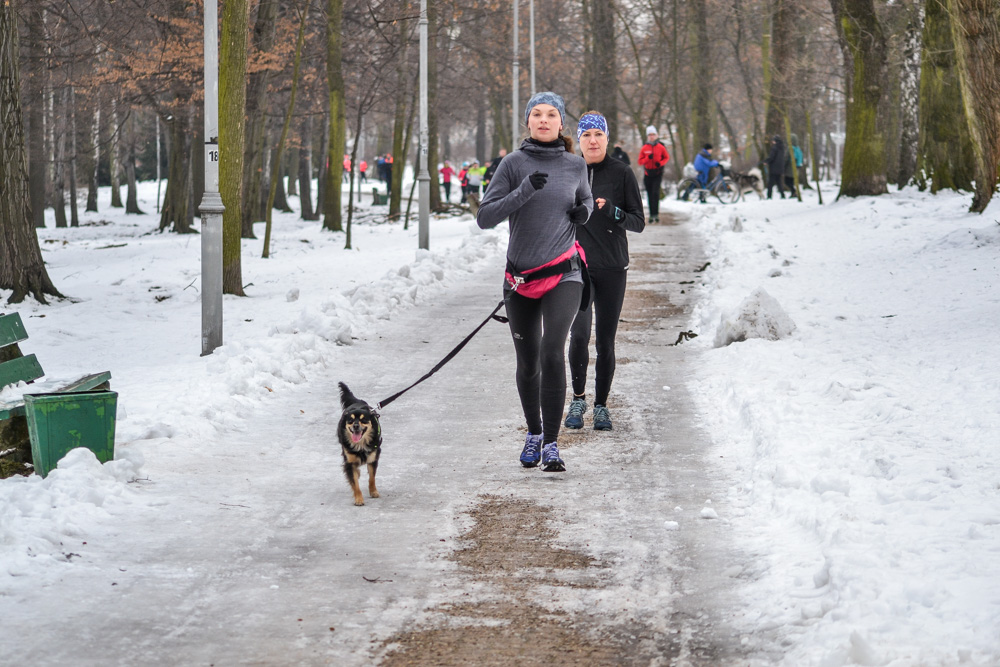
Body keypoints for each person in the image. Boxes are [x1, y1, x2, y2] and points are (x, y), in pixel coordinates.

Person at [477, 91, 593, 473]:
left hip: (564, 274)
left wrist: (583, 213)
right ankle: (534, 433)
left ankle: (553, 445)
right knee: (528, 363)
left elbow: (586, 201)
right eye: (537, 114)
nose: (544, 120)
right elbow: (485, 217)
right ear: (527, 121)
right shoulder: (512, 164)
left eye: (551, 114)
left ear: (561, 123)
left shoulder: (576, 165)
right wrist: (524, 190)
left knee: (551, 352)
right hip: (520, 279)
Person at [566, 111, 644, 432]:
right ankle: (578, 399)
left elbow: (638, 222)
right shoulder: (570, 170)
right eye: (586, 135)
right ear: (579, 140)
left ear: (607, 139)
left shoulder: (621, 173)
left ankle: (601, 406)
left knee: (605, 341)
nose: (593, 140)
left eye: (598, 134)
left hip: (612, 267)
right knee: (579, 335)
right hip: (577, 268)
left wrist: (614, 212)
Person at [637, 125, 669, 223]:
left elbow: (666, 157)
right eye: (650, 135)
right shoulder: (644, 148)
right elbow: (640, 161)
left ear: (656, 135)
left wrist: (660, 163)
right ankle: (651, 215)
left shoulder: (661, 147)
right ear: (648, 136)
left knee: (655, 193)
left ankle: (656, 214)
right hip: (648, 174)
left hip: (657, 173)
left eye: (653, 134)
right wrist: (648, 158)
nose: (651, 136)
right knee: (650, 194)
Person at [764, 134, 786, 199]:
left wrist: (766, 161)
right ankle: (782, 195)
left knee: (770, 183)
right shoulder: (782, 148)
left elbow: (771, 157)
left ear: (775, 141)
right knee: (779, 183)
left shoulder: (774, 148)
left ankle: (769, 196)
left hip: (773, 168)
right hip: (780, 168)